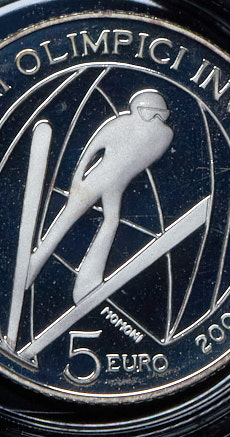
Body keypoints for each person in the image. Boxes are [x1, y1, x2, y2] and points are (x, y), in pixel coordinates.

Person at [26, 89, 174, 302]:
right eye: (152, 113)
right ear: (139, 110)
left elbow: (97, 152)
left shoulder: (156, 133)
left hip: (113, 187)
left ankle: (89, 280)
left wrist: (78, 181)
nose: (156, 118)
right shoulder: (131, 128)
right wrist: (77, 182)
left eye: (161, 114)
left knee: (107, 222)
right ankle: (32, 267)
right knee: (69, 220)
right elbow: (90, 152)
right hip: (95, 181)